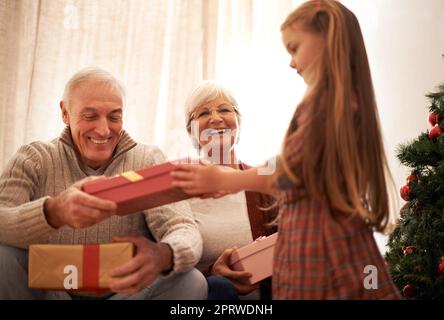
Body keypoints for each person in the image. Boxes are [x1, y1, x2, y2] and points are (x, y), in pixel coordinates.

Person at [172, 0, 401, 299]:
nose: (291, 62)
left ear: (326, 41)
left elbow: (290, 167)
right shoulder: (340, 103)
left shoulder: (323, 105)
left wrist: (228, 180)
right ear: (190, 128)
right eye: (203, 114)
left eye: (295, 48)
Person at [0, 67, 207, 300]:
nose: (103, 129)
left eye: (114, 117)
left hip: (123, 294)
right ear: (65, 113)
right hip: (52, 291)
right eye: (90, 116)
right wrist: (53, 212)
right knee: (3, 256)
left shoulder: (147, 160)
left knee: (191, 281)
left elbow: (185, 229)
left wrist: (162, 254)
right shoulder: (34, 158)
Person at [184, 80, 278, 300]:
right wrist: (211, 273)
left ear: (238, 122)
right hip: (209, 295)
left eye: (225, 109)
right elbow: (170, 268)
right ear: (191, 129)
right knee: (219, 286)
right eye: (203, 113)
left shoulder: (263, 180)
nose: (216, 118)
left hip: (266, 294)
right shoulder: (179, 189)